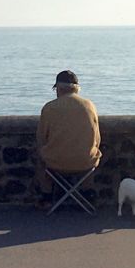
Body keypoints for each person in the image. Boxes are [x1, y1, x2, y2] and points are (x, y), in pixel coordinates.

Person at [34, 70, 102, 208]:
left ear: (58, 88)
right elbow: (97, 139)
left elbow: (41, 138)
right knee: (94, 152)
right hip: (85, 164)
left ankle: (46, 196)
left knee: (40, 158)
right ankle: (88, 193)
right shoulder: (89, 106)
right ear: (77, 88)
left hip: (55, 163)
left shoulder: (49, 108)